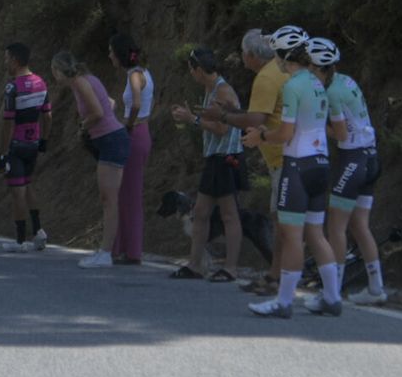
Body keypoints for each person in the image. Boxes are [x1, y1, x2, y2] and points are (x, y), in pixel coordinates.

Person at [243, 27, 345, 319]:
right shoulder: (316, 82)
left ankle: (284, 301)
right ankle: (332, 296)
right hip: (320, 163)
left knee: (291, 235)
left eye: (276, 54)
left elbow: (286, 133)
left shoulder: (291, 86)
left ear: (283, 56)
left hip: (297, 165)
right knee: (315, 233)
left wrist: (260, 138)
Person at [211, 29, 292, 295]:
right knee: (282, 219)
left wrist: (223, 117)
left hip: (284, 156)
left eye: (244, 52)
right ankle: (274, 275)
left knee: (284, 222)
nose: (242, 57)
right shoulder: (279, 70)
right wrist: (231, 113)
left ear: (254, 55)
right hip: (287, 154)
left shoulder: (266, 77)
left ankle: (281, 280)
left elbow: (255, 120)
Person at [309, 37, 389, 305]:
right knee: (359, 225)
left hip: (352, 159)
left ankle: (332, 292)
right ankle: (376, 287)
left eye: (309, 66)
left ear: (316, 67)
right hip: (371, 157)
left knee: (336, 228)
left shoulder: (330, 93)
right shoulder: (346, 80)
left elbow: (341, 134)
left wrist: (318, 124)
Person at [167, 48, 245, 282]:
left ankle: (231, 268)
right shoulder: (210, 89)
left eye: (191, 69)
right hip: (215, 157)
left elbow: (222, 128)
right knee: (200, 212)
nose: (191, 74)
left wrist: (193, 119)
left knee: (229, 215)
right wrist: (192, 117)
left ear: (199, 69)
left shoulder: (222, 90)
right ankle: (195, 265)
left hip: (226, 157)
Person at [50, 51, 130, 268]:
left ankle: (105, 253)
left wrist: (83, 126)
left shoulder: (81, 83)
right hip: (109, 138)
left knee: (108, 199)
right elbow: (110, 103)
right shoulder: (86, 80)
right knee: (108, 198)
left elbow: (98, 112)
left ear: (59, 70)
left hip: (111, 140)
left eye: (54, 72)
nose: (54, 77)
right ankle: (105, 250)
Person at [0, 42, 52, 252]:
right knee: (27, 185)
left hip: (17, 146)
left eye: (6, 59)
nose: (5, 63)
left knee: (17, 192)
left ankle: (20, 241)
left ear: (15, 60)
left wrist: (2, 153)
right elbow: (47, 115)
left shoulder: (12, 87)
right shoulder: (41, 82)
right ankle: (38, 232)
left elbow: (7, 122)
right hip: (33, 143)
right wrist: (44, 139)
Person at [108, 33, 154, 265]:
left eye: (111, 51)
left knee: (128, 194)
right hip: (141, 133)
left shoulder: (135, 75)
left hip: (135, 133)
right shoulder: (143, 72)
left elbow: (135, 103)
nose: (109, 55)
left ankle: (131, 250)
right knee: (126, 193)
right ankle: (124, 247)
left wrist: (127, 124)